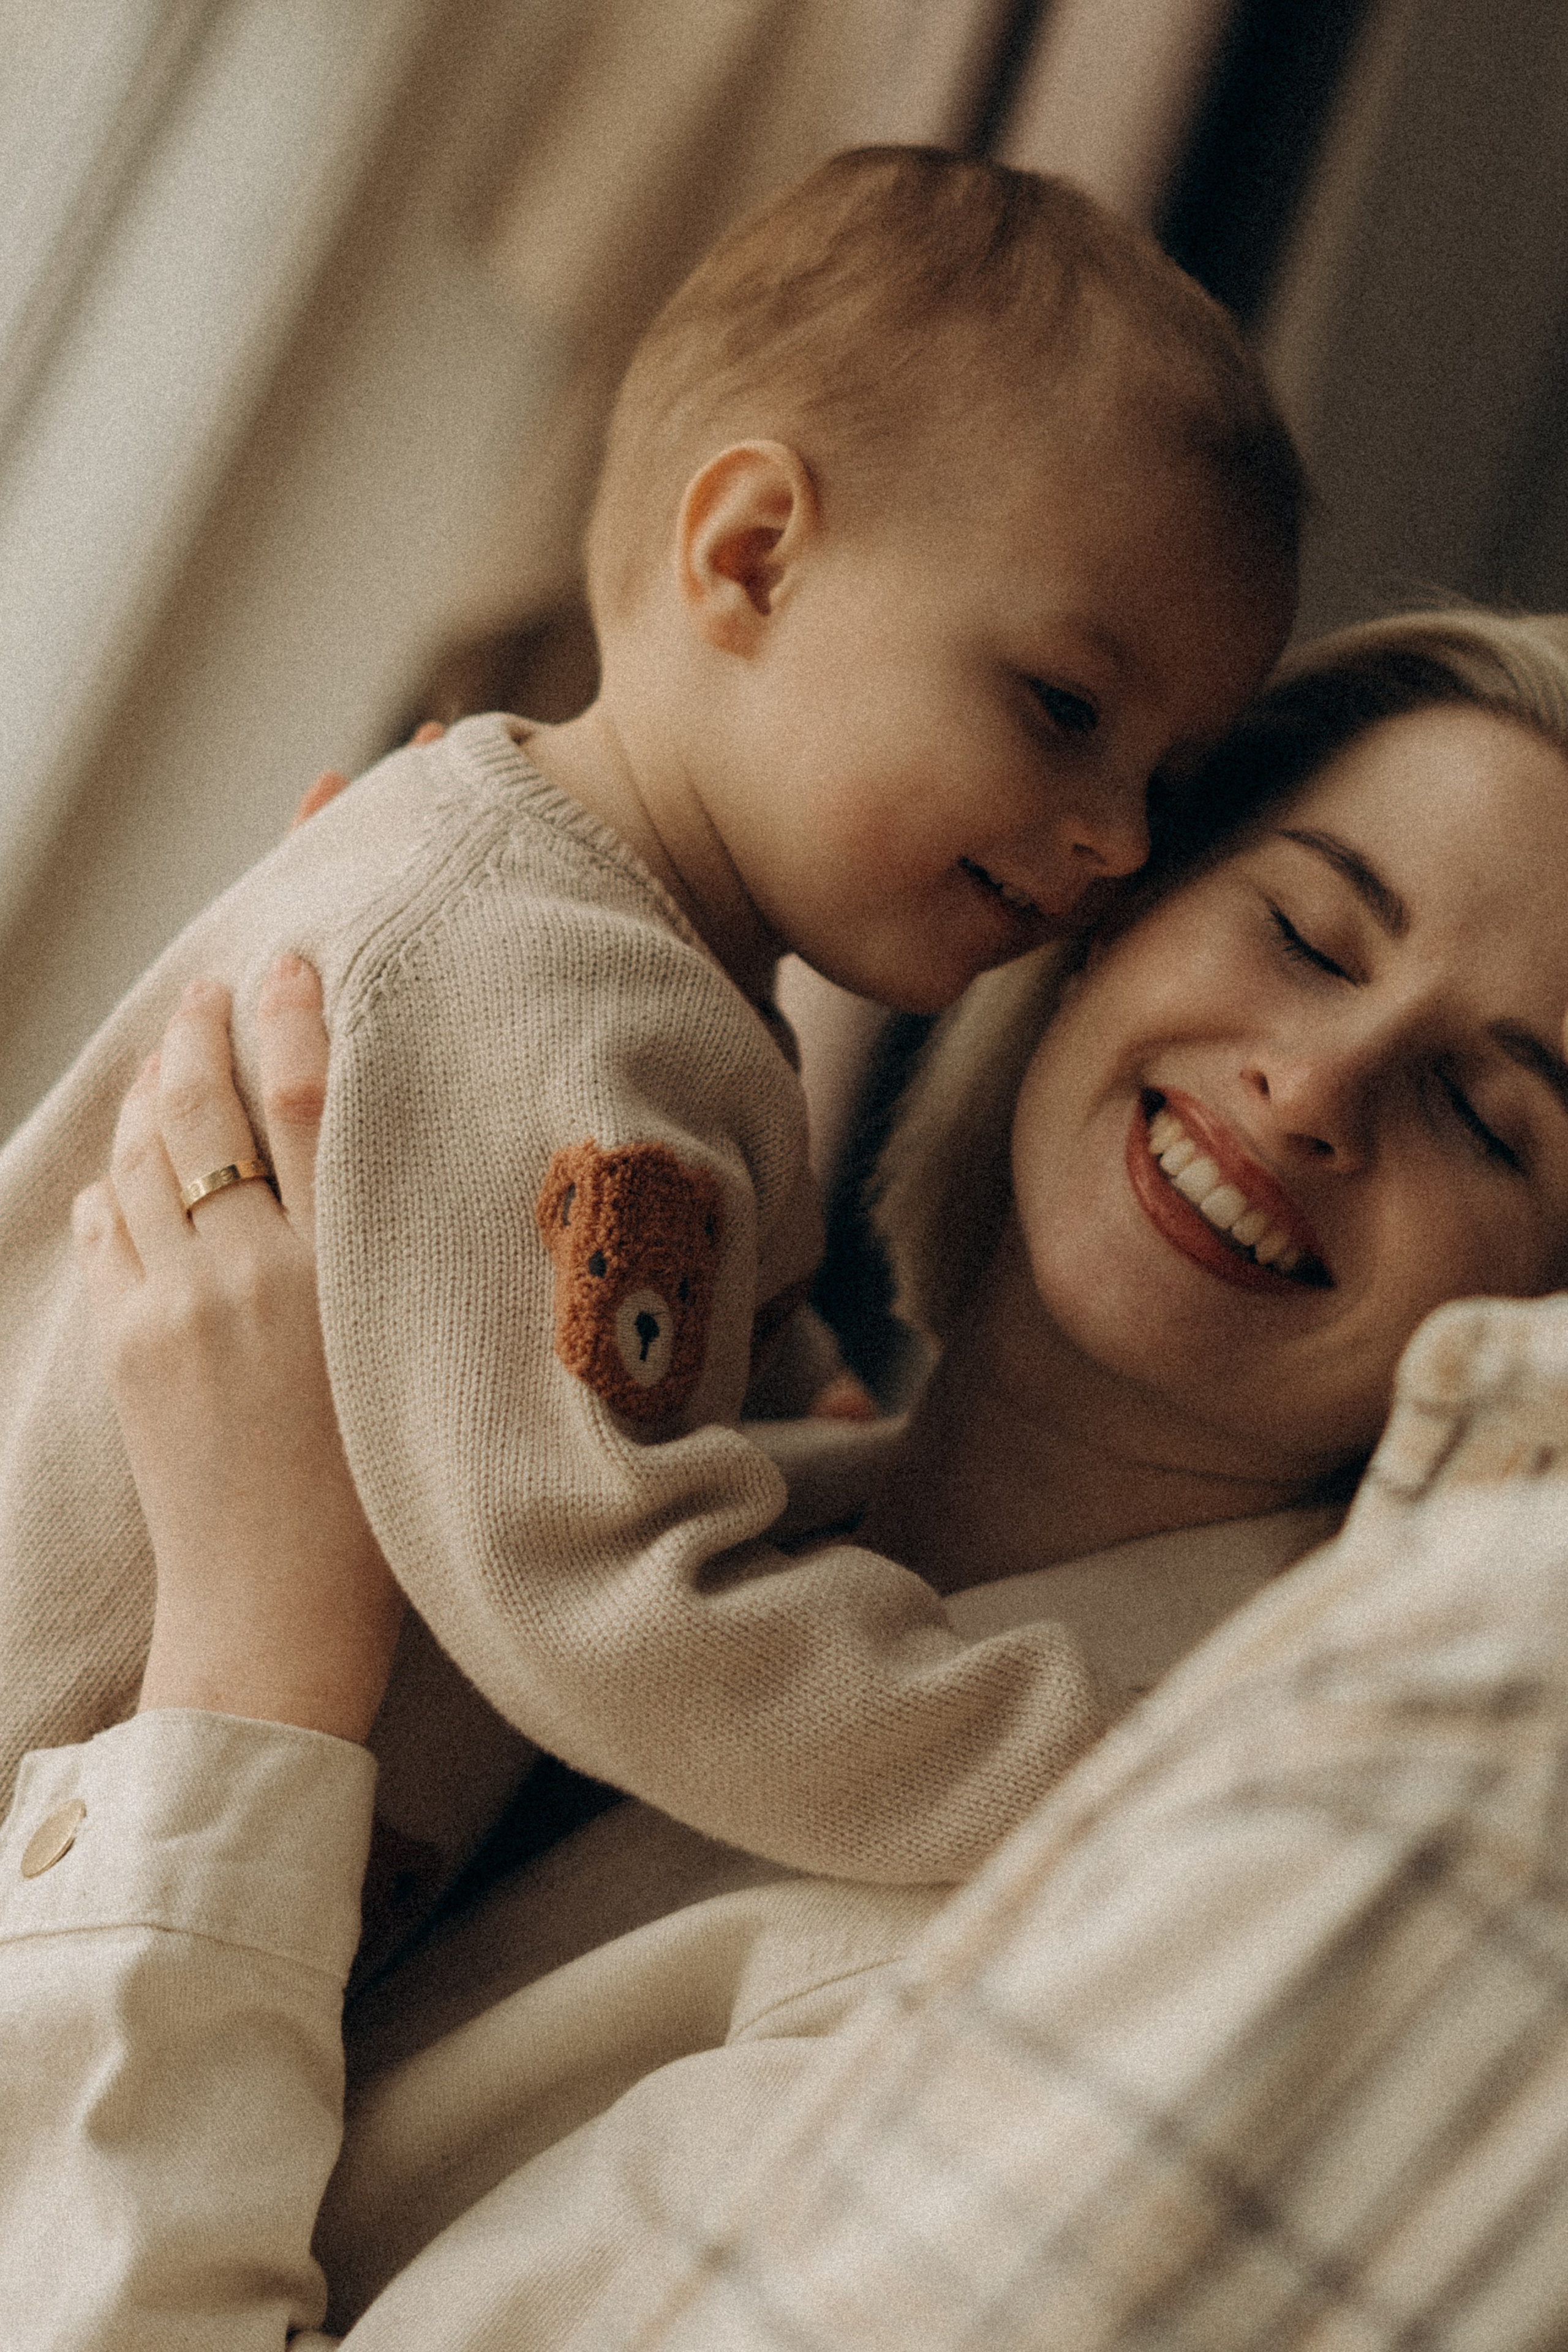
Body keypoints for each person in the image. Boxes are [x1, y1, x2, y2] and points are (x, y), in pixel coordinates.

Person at [7, 604, 1568, 2346]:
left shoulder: (1123, 1936)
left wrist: (254, 1660)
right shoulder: (670, 1458)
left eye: (1494, 1121)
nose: (1321, 1086)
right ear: (1101, 915)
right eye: (1304, 931)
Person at [0, 151, 1299, 1932]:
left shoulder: (596, 944)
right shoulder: (544, 991)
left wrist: (786, 1393)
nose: (1120, 840)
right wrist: (1099, 1780)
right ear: (750, 555)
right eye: (1063, 708)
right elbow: (607, 1595)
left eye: (1165, 782)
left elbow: (561, 1359)